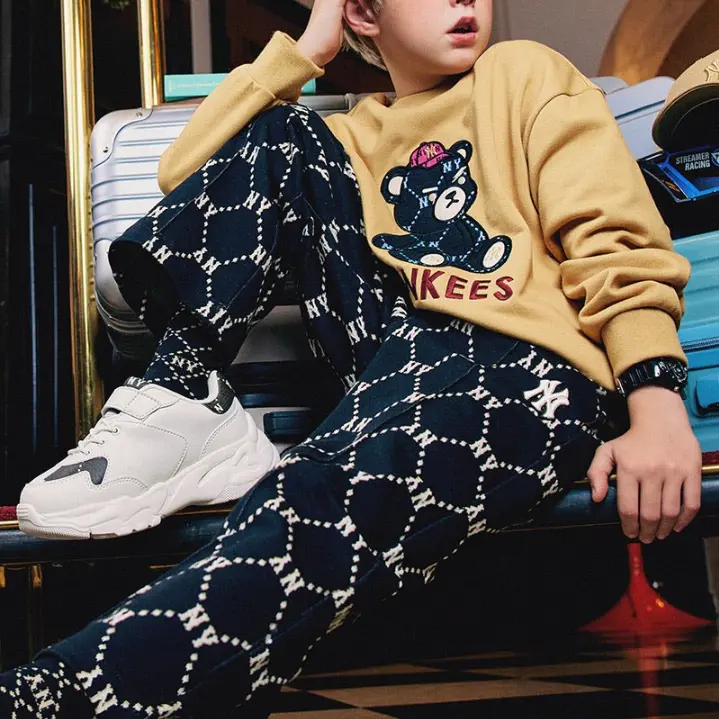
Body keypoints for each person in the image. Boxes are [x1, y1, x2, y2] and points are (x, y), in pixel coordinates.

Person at [4, 0, 703, 715]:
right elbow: (184, 173)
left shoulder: (523, 72)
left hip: (530, 371)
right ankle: (185, 388)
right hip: (399, 360)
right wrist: (307, 50)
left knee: (305, 503)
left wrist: (655, 401)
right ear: (363, 12)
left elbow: (614, 241)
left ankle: (53, 698)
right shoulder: (351, 135)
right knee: (279, 135)